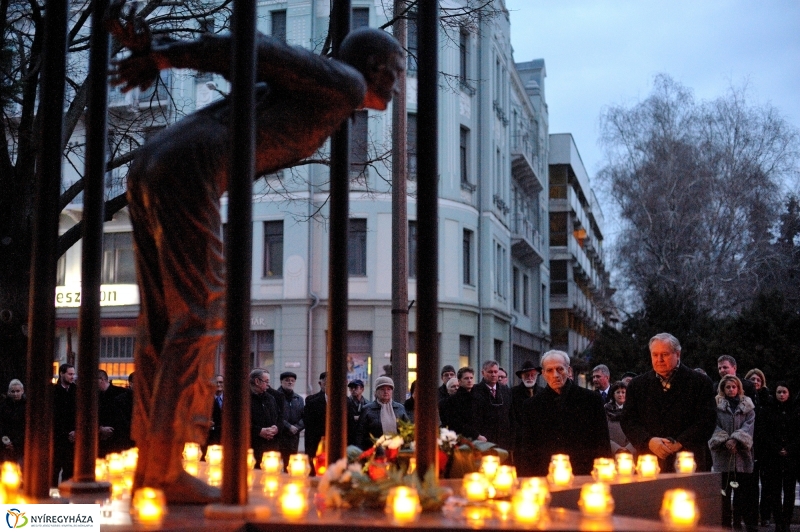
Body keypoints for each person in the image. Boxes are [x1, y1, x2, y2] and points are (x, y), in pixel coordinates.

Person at [107, 0, 404, 502]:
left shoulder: (326, 96)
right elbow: (258, 48)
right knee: (200, 319)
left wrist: (164, 52)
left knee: (165, 320)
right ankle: (160, 468)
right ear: (375, 67)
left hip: (155, 166)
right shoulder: (345, 83)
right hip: (187, 170)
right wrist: (164, 55)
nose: (399, 81)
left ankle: (153, 466)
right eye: (397, 68)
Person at [621, 333, 716, 472]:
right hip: (649, 463)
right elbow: (628, 420)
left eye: (664, 354)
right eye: (655, 355)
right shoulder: (637, 385)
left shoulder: (700, 382)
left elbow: (707, 420)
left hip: (689, 462)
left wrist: (679, 442)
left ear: (678, 354)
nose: (659, 359)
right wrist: (649, 441)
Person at [517, 350, 612, 477]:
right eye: (550, 370)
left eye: (560, 369)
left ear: (569, 371)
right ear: (544, 374)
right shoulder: (531, 406)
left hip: (584, 475)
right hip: (545, 476)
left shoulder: (591, 400)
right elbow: (527, 449)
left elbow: (603, 443)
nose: (555, 375)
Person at [708, 375, 756, 532]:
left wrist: (736, 439)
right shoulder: (716, 406)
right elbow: (712, 425)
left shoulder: (747, 406)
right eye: (728, 387)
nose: (731, 390)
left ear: (739, 388)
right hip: (723, 455)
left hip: (741, 455)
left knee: (741, 494)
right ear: (723, 388)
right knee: (724, 494)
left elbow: (749, 426)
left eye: (734, 387)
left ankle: (738, 523)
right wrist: (725, 440)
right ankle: (725, 524)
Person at [761, 382, 800, 532]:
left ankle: (787, 522)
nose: (781, 395)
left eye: (784, 392)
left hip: (791, 457)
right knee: (774, 492)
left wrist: (789, 449)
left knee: (789, 491)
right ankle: (778, 521)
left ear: (789, 393)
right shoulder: (769, 411)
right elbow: (764, 432)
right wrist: (777, 448)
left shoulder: (796, 411)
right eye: (779, 392)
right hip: (773, 456)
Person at [745, 368, 773, 526]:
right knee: (752, 485)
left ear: (762, 382)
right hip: (750, 446)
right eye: (752, 379)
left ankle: (766, 516)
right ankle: (752, 516)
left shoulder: (769, 399)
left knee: (767, 484)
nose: (755, 382)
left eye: (758, 379)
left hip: (767, 446)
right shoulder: (744, 399)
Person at [355, 377, 409, 450]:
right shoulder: (367, 409)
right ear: (376, 392)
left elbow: (407, 431)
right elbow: (360, 434)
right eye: (382, 389)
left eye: (389, 389)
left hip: (397, 451)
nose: (386, 392)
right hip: (374, 451)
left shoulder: (400, 408)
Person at [472, 360, 513, 451]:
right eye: (490, 372)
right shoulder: (475, 390)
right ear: (483, 373)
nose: (493, 375)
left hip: (504, 440)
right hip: (484, 440)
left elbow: (510, 413)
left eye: (495, 372)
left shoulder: (505, 390)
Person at [439, 367, 483, 441]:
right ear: (459, 381)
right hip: (461, 441)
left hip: (480, 439)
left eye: (471, 378)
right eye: (466, 378)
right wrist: (476, 435)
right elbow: (455, 424)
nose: (469, 380)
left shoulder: (479, 398)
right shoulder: (450, 402)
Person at [249, 368, 280, 468]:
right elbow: (238, 424)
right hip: (251, 448)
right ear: (257, 381)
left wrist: (276, 428)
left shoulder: (270, 398)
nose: (268, 384)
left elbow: (278, 416)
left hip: (270, 448)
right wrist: (258, 431)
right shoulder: (243, 398)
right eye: (266, 381)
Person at [52, 363, 76, 485]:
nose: (72, 377)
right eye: (70, 374)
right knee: (54, 471)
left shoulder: (76, 391)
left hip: (72, 440)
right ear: (61, 373)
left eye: (73, 374)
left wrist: (76, 431)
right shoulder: (53, 392)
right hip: (57, 439)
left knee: (70, 471)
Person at [277, 372, 304, 470]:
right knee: (277, 464)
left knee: (292, 465)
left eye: (292, 381)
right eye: (287, 380)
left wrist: (297, 427)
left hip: (294, 437)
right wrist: (289, 427)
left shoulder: (298, 399)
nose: (290, 382)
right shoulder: (275, 396)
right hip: (280, 436)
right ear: (281, 381)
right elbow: (276, 415)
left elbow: (304, 416)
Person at [97, 369, 127, 456]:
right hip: (101, 441)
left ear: (102, 379)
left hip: (118, 439)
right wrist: (100, 428)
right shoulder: (95, 396)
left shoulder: (122, 393)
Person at [605, 381, 636, 457]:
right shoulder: (606, 409)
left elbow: (638, 429)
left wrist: (628, 449)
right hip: (612, 452)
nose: (621, 395)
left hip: (631, 452)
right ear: (613, 394)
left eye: (623, 392)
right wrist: (616, 448)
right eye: (618, 392)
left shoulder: (634, 409)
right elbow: (603, 431)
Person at [0, 380, 26, 464]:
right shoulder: (3, 406)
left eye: (18, 391)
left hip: (21, 445)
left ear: (22, 391)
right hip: (5, 444)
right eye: (13, 391)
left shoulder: (27, 406)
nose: (15, 394)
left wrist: (15, 442)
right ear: (9, 392)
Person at [347, 380, 367, 446]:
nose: (353, 390)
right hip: (348, 436)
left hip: (363, 437)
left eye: (355, 387)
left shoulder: (367, 404)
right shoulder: (345, 403)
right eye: (351, 388)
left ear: (362, 389)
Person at [207, 375, 224, 447]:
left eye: (221, 382)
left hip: (225, 437)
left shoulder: (230, 399)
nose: (218, 384)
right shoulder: (207, 399)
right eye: (216, 382)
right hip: (211, 437)